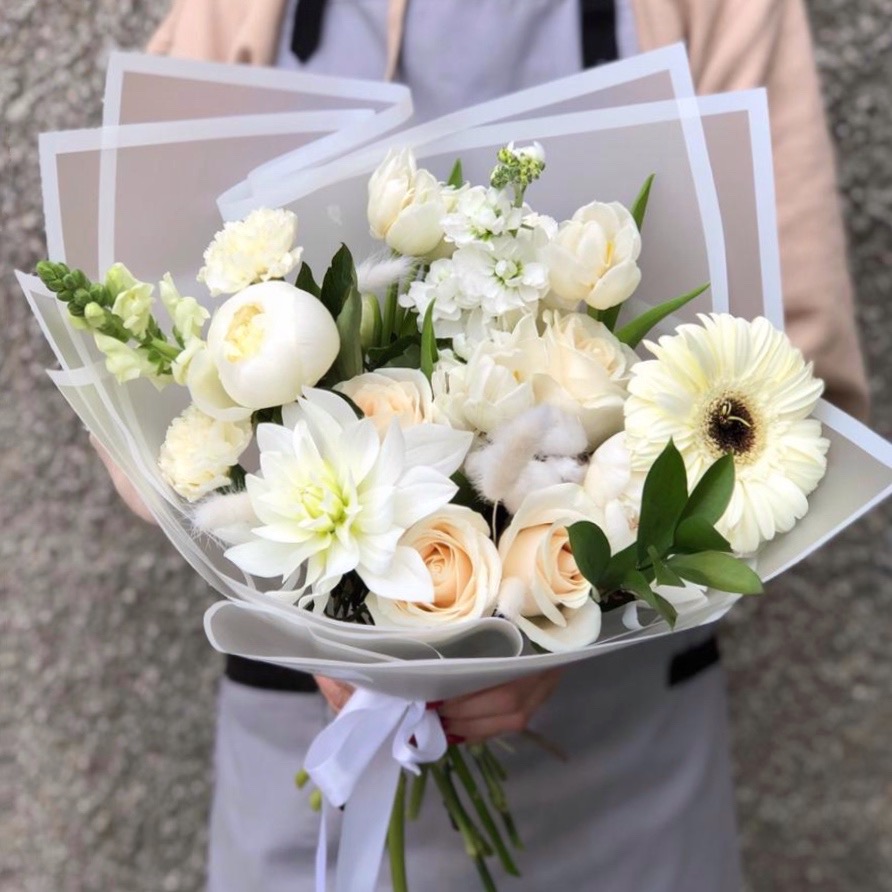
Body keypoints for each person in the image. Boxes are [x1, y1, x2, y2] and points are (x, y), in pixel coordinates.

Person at [96, 1, 870, 889]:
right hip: (315, 745)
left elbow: (798, 386)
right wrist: (329, 617)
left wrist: (575, 605)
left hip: (621, 773)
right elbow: (143, 362)